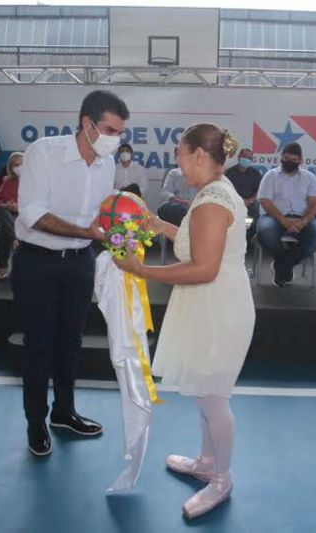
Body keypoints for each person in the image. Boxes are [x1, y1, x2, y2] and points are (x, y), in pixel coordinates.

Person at [114, 124, 255, 520]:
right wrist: (160, 226)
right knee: (205, 393)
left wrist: (141, 270)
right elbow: (200, 243)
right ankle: (208, 461)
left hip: (217, 309)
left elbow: (203, 267)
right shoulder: (215, 193)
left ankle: (221, 478)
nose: (176, 160)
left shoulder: (212, 200)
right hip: (212, 307)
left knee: (213, 399)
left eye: (179, 152)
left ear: (197, 155)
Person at [12, 90, 129, 457]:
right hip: (37, 262)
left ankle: (64, 412)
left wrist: (121, 226)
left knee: (70, 344)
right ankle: (36, 422)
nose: (116, 139)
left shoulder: (107, 164)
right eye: (110, 129)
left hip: (80, 263)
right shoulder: (43, 153)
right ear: (87, 124)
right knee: (39, 347)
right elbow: (33, 214)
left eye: (121, 132)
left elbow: (100, 216)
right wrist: (89, 233)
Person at [256, 142, 316, 288]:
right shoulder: (270, 176)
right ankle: (284, 263)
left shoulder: (310, 177)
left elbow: (315, 204)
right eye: (286, 159)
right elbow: (265, 202)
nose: (289, 162)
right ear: (281, 157)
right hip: (274, 217)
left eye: (294, 160)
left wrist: (303, 222)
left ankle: (282, 266)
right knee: (265, 232)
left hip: (302, 218)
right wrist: (283, 221)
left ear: (300, 160)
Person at [0, 152, 22, 281]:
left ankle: (2, 267)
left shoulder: (35, 181)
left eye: (22, 164)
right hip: (8, 214)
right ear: (10, 167)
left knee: (3, 230)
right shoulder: (7, 180)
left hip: (24, 215)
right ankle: (15, 239)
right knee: (2, 211)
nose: (20, 167)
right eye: (16, 165)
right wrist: (7, 205)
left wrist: (19, 207)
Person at [224, 147, 262, 241]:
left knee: (255, 215)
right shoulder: (229, 173)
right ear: (239, 157)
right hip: (232, 203)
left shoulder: (255, 173)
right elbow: (225, 190)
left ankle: (246, 240)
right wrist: (238, 201)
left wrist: (250, 201)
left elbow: (259, 191)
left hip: (249, 204)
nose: (246, 160)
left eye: (249, 158)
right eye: (244, 157)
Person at [157, 153, 197, 227]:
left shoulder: (201, 173)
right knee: (164, 208)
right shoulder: (174, 173)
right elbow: (166, 193)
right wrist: (183, 202)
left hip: (197, 208)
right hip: (180, 207)